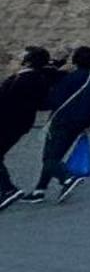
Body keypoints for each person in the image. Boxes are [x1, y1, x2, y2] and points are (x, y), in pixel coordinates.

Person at [22, 45, 90, 204]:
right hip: (81, 121)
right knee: (55, 156)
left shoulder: (72, 78)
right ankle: (40, 190)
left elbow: (53, 100)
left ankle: (67, 179)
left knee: (50, 157)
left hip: (63, 120)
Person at [0, 47, 60, 209]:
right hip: (18, 122)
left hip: (9, 121)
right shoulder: (36, 77)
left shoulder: (24, 80)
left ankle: (7, 189)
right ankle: (6, 188)